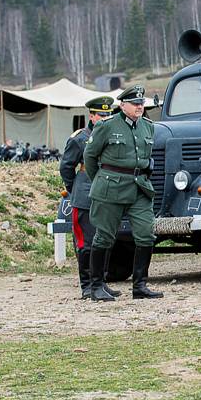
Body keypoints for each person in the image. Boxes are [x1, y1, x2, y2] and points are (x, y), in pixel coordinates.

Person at [83, 85, 163, 301]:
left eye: (141, 103)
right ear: (122, 105)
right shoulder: (107, 126)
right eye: (135, 103)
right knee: (105, 236)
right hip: (111, 187)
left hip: (139, 186)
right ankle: (97, 285)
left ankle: (140, 285)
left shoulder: (148, 126)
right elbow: (90, 157)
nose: (140, 106)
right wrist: (100, 181)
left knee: (146, 233)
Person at [59, 96, 122, 300]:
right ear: (92, 116)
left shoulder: (114, 134)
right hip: (85, 194)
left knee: (106, 240)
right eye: (100, 115)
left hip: (108, 194)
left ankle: (101, 282)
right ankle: (87, 285)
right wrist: (75, 188)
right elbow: (66, 167)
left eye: (107, 115)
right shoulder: (80, 138)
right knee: (86, 243)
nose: (104, 118)